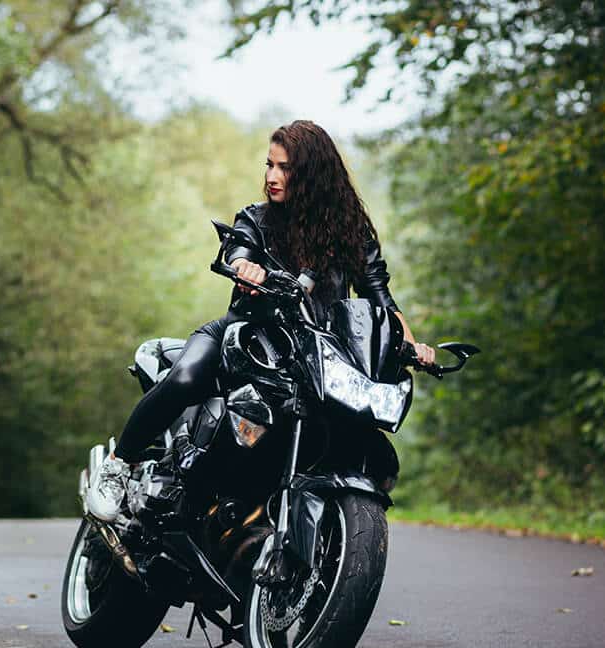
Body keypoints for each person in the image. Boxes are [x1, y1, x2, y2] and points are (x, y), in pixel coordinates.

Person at [86, 120, 435, 522]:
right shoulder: (257, 218)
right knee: (185, 379)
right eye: (269, 165)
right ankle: (117, 465)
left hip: (315, 356)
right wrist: (245, 268)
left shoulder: (351, 233)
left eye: (284, 168)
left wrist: (410, 345)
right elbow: (240, 249)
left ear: (313, 174)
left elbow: (380, 297)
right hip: (244, 337)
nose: (272, 176)